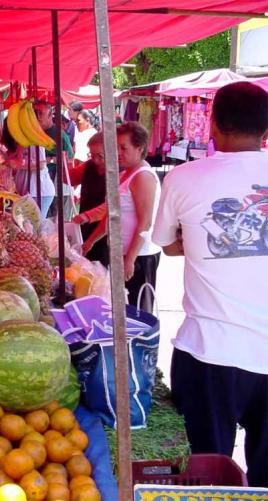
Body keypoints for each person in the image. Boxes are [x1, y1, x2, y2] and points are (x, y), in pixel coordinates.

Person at [152, 82, 268, 487]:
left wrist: (201, 242)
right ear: (266, 130)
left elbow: (167, 244)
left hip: (209, 352)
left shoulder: (183, 177)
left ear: (212, 124)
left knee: (207, 477)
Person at [73, 122, 161, 311]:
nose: (118, 153)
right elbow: (112, 215)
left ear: (140, 148)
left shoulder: (143, 176)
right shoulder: (125, 174)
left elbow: (145, 222)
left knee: (137, 311)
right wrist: (91, 241)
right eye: (116, 147)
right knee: (121, 308)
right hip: (122, 253)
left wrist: (130, 259)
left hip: (140, 256)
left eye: (124, 148)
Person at [68, 132, 108, 265]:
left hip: (104, 230)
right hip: (85, 226)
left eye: (100, 156)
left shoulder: (119, 171)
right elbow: (70, 179)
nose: (95, 160)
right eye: (92, 155)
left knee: (102, 267)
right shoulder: (89, 165)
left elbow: (112, 205)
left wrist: (88, 216)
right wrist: (66, 163)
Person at [2, 116, 56, 216]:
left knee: (35, 224)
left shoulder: (34, 140)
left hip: (39, 193)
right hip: (26, 193)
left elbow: (41, 163)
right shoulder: (18, 141)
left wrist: (19, 164)